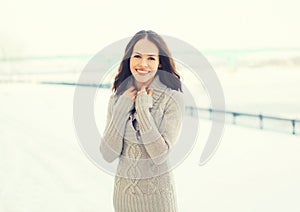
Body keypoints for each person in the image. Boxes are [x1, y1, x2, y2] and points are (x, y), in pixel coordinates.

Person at [100, 30, 184, 212]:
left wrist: (142, 110)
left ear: (160, 62)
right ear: (128, 59)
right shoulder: (118, 98)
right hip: (123, 201)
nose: (143, 64)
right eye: (137, 56)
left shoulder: (172, 98)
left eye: (151, 58)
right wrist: (122, 109)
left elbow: (160, 155)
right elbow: (107, 154)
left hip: (158, 202)